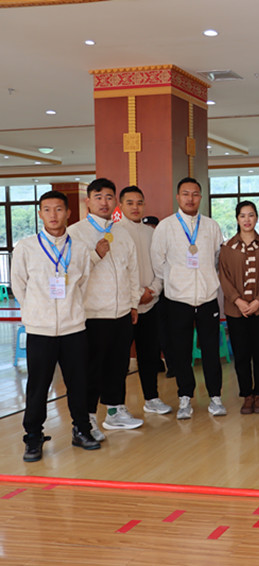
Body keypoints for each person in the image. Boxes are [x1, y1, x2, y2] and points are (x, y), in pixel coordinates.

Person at [13, 191, 101, 461]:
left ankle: (81, 430)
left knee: (79, 383)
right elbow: (19, 286)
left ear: (68, 213)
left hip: (74, 328)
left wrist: (71, 310)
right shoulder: (27, 247)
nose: (53, 215)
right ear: (40, 214)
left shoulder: (80, 249)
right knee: (38, 386)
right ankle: (33, 437)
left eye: (59, 209)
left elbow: (83, 284)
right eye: (47, 209)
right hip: (40, 330)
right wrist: (35, 312)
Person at [67, 178, 142, 439]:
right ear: (88, 201)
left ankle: (114, 411)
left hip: (121, 313)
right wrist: (95, 256)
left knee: (118, 365)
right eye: (98, 197)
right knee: (92, 368)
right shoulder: (75, 233)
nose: (104, 202)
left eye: (109, 197)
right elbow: (72, 273)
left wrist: (133, 303)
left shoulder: (122, 232)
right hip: (93, 314)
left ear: (115, 202)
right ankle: (87, 418)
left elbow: (132, 271)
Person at [151, 177, 226, 419]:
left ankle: (215, 397)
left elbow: (218, 258)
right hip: (177, 299)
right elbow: (157, 262)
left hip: (207, 298)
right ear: (178, 197)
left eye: (195, 194)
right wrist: (174, 281)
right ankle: (185, 397)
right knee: (180, 351)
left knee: (211, 350)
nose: (190, 198)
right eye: (186, 194)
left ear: (201, 197)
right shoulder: (165, 227)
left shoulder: (211, 226)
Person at [219, 201, 259, 415]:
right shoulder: (227, 247)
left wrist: (258, 301)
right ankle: (247, 395)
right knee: (242, 355)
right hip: (237, 310)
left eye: (251, 215)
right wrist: (238, 301)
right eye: (242, 215)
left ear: (256, 218)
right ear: (237, 219)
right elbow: (224, 277)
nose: (247, 219)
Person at [119, 186, 171, 415]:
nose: (135, 207)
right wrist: (136, 295)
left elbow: (161, 267)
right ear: (121, 206)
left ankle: (152, 398)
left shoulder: (152, 234)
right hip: (125, 307)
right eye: (130, 203)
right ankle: (117, 406)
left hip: (150, 302)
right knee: (120, 359)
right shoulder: (115, 233)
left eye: (139, 203)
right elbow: (117, 272)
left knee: (149, 355)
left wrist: (153, 290)